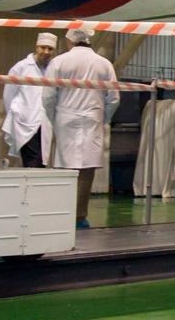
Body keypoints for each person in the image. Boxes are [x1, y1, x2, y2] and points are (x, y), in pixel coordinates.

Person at [43, 28, 120, 229]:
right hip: (93, 117)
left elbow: (48, 96)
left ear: (69, 42)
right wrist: (102, 119)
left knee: (64, 167)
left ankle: (62, 214)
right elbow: (113, 98)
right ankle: (79, 217)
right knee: (86, 169)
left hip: (65, 117)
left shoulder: (59, 62)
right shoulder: (104, 64)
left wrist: (54, 118)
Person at [3, 32, 56, 167]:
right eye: (43, 47)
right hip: (24, 122)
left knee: (41, 161)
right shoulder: (21, 67)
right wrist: (17, 114)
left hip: (44, 122)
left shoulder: (53, 68)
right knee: (32, 162)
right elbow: (8, 96)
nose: (46, 52)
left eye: (50, 49)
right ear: (36, 47)